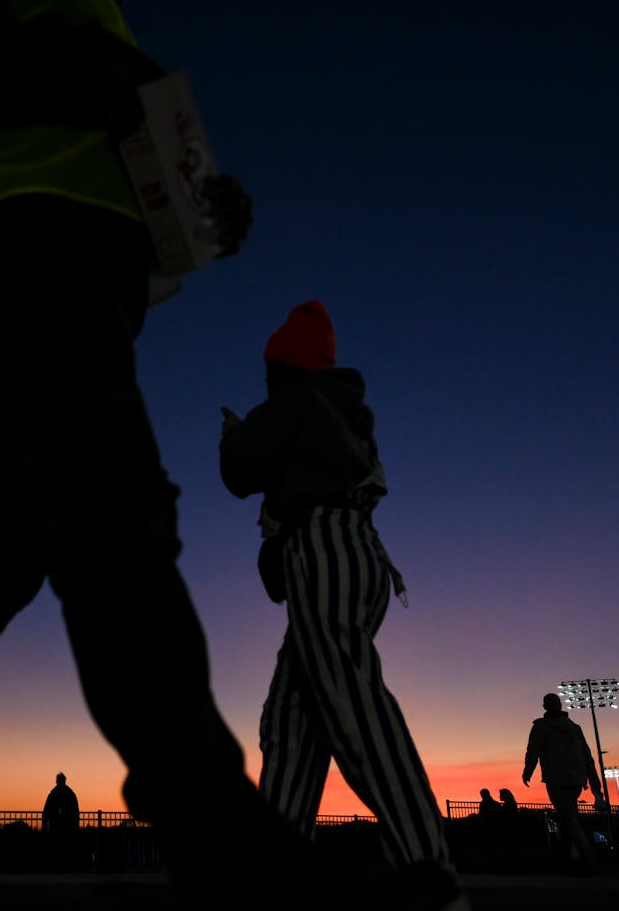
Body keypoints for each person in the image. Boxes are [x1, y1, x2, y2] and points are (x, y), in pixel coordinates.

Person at [0, 0, 425, 910]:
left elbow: (104, 117)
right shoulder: (58, 26)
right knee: (117, 539)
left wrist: (186, 198)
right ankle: (227, 851)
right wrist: (87, 64)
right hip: (22, 241)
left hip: (59, 264)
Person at [218, 300, 464, 903]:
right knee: (292, 720)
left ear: (285, 368)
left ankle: (430, 874)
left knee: (356, 710)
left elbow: (239, 470)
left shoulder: (302, 403)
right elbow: (280, 552)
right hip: (349, 555)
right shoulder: (340, 420)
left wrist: (237, 436)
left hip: (328, 550)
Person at [522, 692, 603, 873]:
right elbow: (588, 758)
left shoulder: (541, 727)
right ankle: (564, 858)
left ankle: (589, 860)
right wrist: (595, 786)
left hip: (556, 779)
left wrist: (527, 772)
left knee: (569, 819)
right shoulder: (574, 727)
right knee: (567, 817)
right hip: (576, 780)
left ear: (545, 706)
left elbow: (533, 751)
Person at [42, 772, 81, 871]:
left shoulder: (53, 793)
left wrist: (45, 825)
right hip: (68, 826)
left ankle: (56, 867)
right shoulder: (70, 793)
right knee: (67, 848)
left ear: (57, 781)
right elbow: (76, 811)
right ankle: (67, 867)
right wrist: (76, 825)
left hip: (56, 825)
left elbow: (46, 811)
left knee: (56, 847)